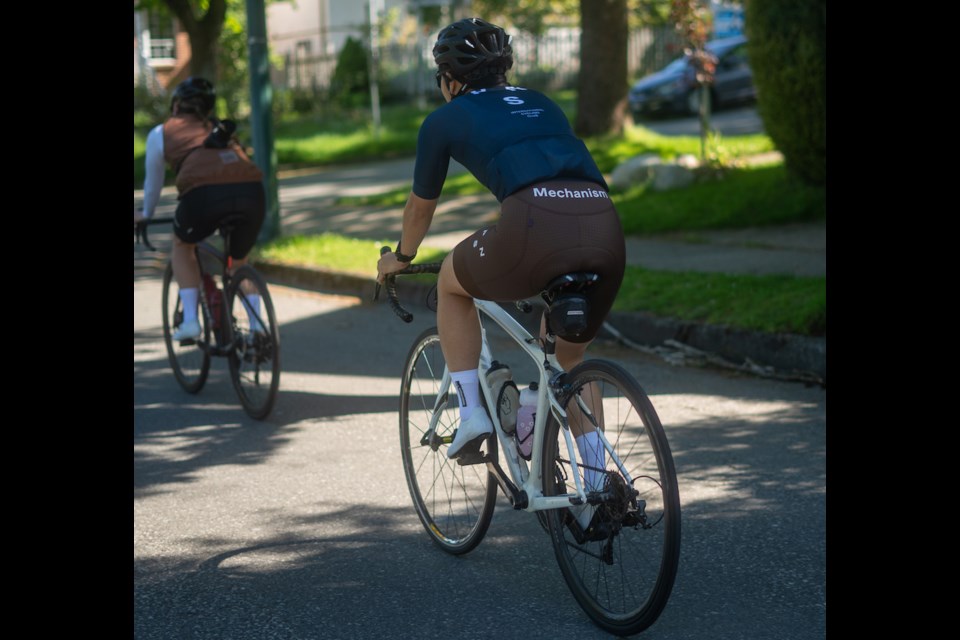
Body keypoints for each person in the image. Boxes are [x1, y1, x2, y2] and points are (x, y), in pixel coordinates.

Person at [376, 16, 626, 517]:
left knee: (452, 281)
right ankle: (599, 480)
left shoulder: (444, 119)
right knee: (568, 360)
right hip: (604, 226)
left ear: (449, 79)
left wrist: (398, 260)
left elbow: (419, 210)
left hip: (534, 225)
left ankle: (472, 415)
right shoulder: (543, 102)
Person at [135, 77, 266, 341]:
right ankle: (258, 329)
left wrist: (146, 214)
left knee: (182, 245)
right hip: (252, 192)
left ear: (176, 106)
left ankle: (192, 323)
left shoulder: (162, 133)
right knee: (238, 262)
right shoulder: (221, 129)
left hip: (203, 196)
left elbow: (153, 185)